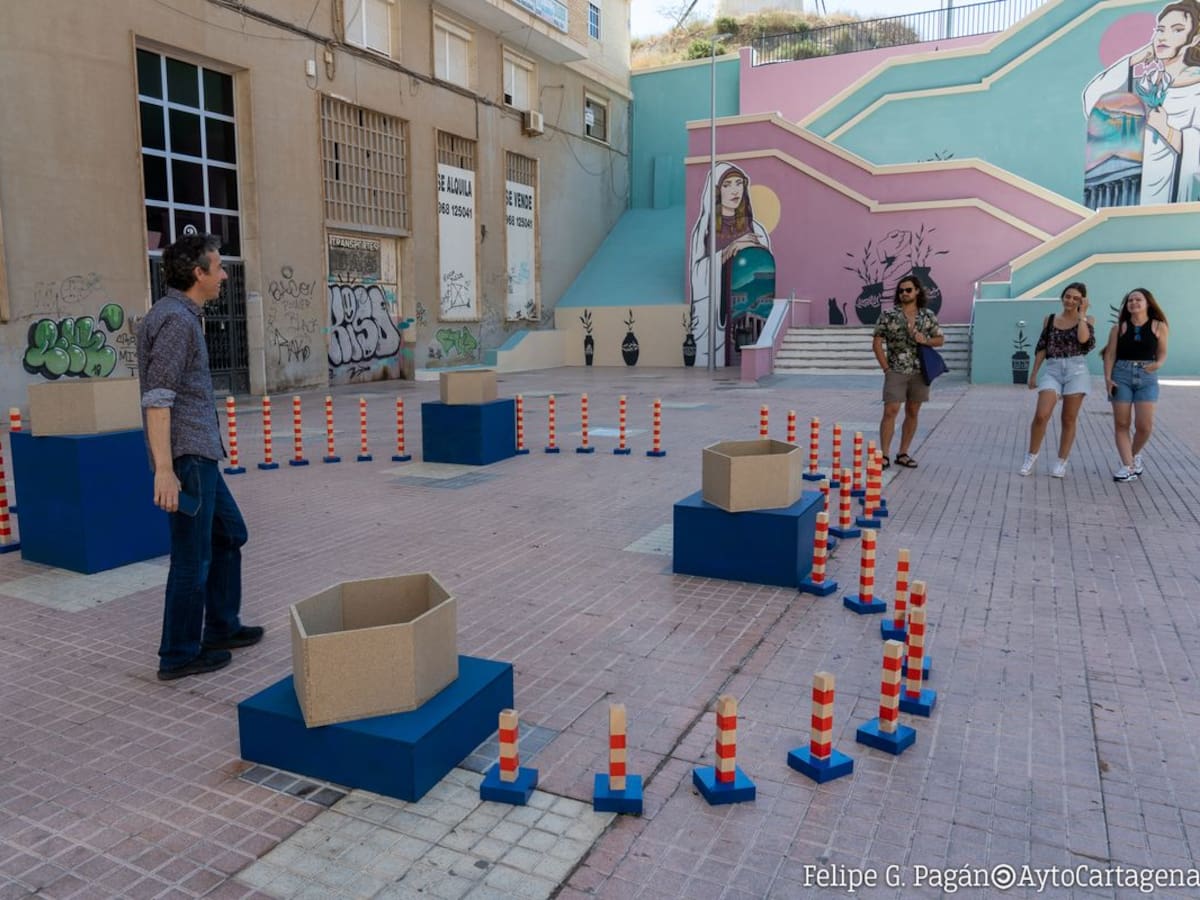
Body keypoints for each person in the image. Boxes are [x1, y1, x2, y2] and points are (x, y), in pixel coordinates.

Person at [137, 234, 262, 680]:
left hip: (200, 454)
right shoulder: (176, 322)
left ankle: (222, 627)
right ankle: (178, 654)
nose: (225, 274)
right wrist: (165, 471)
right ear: (198, 274)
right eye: (219, 267)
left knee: (229, 535)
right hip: (187, 459)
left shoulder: (180, 316)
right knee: (192, 559)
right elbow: (157, 398)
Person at [1083, 1, 1200, 204]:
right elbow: (1094, 97)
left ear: (1194, 39)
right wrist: (1135, 58)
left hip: (1174, 197)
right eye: (1160, 30)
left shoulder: (1196, 87)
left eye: (1177, 30)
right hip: (1137, 193)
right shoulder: (1148, 83)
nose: (1163, 37)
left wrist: (1167, 131)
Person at [688, 163, 771, 367]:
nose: (735, 190)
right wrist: (726, 252)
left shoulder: (756, 229)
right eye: (727, 184)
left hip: (747, 310)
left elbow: (767, 269)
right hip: (713, 316)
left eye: (739, 183)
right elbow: (696, 275)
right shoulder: (704, 232)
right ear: (716, 191)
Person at [1018, 283, 1096, 478]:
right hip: (1053, 369)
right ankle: (1031, 456)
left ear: (1082, 301)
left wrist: (1082, 315)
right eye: (1067, 296)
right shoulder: (1050, 319)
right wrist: (1034, 373)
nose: (1070, 300)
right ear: (1062, 297)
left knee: (1068, 418)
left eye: (1076, 298)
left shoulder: (1087, 319)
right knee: (1041, 415)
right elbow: (1042, 347)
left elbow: (1084, 340)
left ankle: (1061, 461)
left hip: (1076, 370)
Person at [872, 275, 944, 469]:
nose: (904, 293)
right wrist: (886, 368)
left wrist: (925, 340)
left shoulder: (927, 315)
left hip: (920, 371)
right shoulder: (888, 315)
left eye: (908, 290)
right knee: (890, 411)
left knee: (913, 411)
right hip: (895, 369)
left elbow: (939, 339)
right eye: (901, 290)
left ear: (917, 291)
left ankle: (903, 453)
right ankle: (884, 455)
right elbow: (877, 343)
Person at [1103, 287, 1170, 482]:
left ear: (1148, 303)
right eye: (1130, 300)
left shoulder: (1159, 326)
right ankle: (1128, 466)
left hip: (1147, 376)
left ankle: (1133, 456)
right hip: (1121, 375)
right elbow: (1110, 355)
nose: (1133, 303)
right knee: (1122, 424)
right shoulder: (1119, 328)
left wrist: (1158, 364)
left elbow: (1163, 351)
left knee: (1144, 426)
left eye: (1138, 299)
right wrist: (1108, 378)